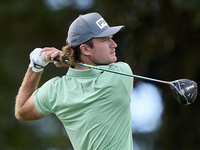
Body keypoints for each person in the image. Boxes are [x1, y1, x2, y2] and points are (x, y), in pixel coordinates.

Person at [15, 12, 134, 150]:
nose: (114, 44)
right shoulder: (121, 74)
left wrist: (35, 67)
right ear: (85, 49)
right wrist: (68, 61)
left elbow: (21, 111)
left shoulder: (55, 90)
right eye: (105, 39)